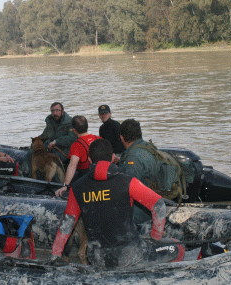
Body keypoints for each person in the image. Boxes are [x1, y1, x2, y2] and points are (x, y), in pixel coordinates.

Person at [51, 139, 185, 269]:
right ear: (113, 157)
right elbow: (159, 206)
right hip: (131, 255)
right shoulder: (128, 182)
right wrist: (156, 237)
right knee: (178, 246)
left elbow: (67, 224)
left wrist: (55, 254)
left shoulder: (77, 187)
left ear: (90, 161)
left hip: (97, 258)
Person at [55, 116, 100, 197]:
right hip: (100, 173)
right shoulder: (99, 138)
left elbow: (72, 166)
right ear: (87, 126)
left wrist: (65, 185)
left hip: (87, 175)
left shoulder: (76, 145)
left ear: (74, 130)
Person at [27, 102, 76, 176]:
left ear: (62, 111)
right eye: (52, 111)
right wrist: (34, 143)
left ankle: (56, 181)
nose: (54, 113)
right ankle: (33, 176)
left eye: (57, 110)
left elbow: (71, 138)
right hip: (50, 148)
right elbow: (44, 135)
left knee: (52, 159)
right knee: (30, 153)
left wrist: (56, 142)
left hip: (64, 151)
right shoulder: (50, 121)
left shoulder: (70, 122)